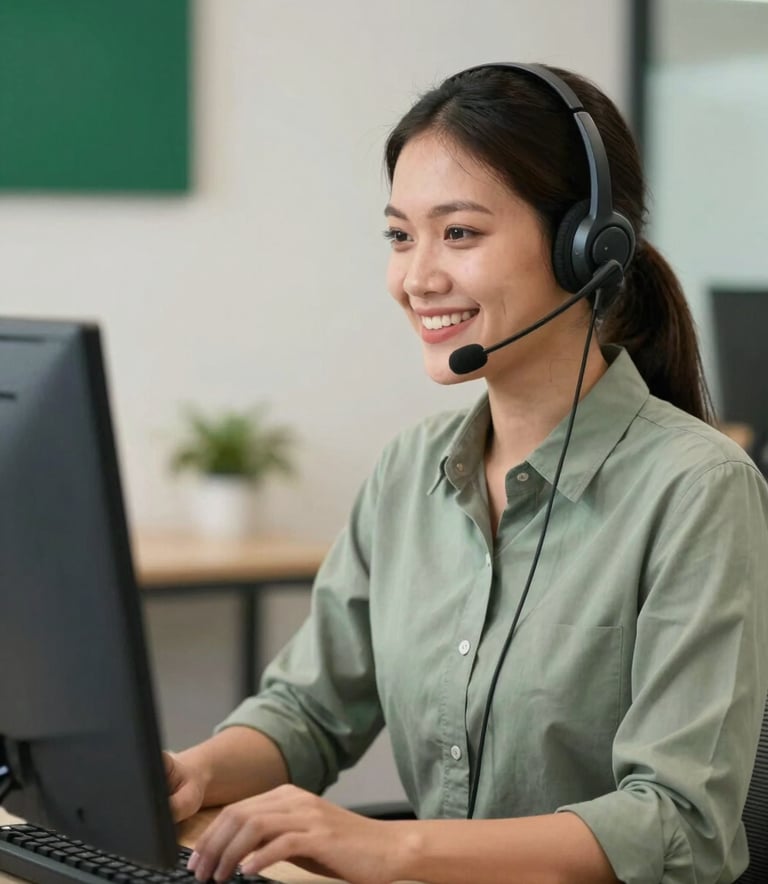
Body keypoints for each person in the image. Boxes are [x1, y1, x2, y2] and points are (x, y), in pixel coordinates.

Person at [164, 63, 768, 884]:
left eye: (459, 233)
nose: (417, 279)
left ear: (587, 245)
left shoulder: (698, 488)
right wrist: (197, 770)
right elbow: (307, 711)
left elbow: (679, 825)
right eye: (400, 236)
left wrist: (392, 848)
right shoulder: (410, 470)